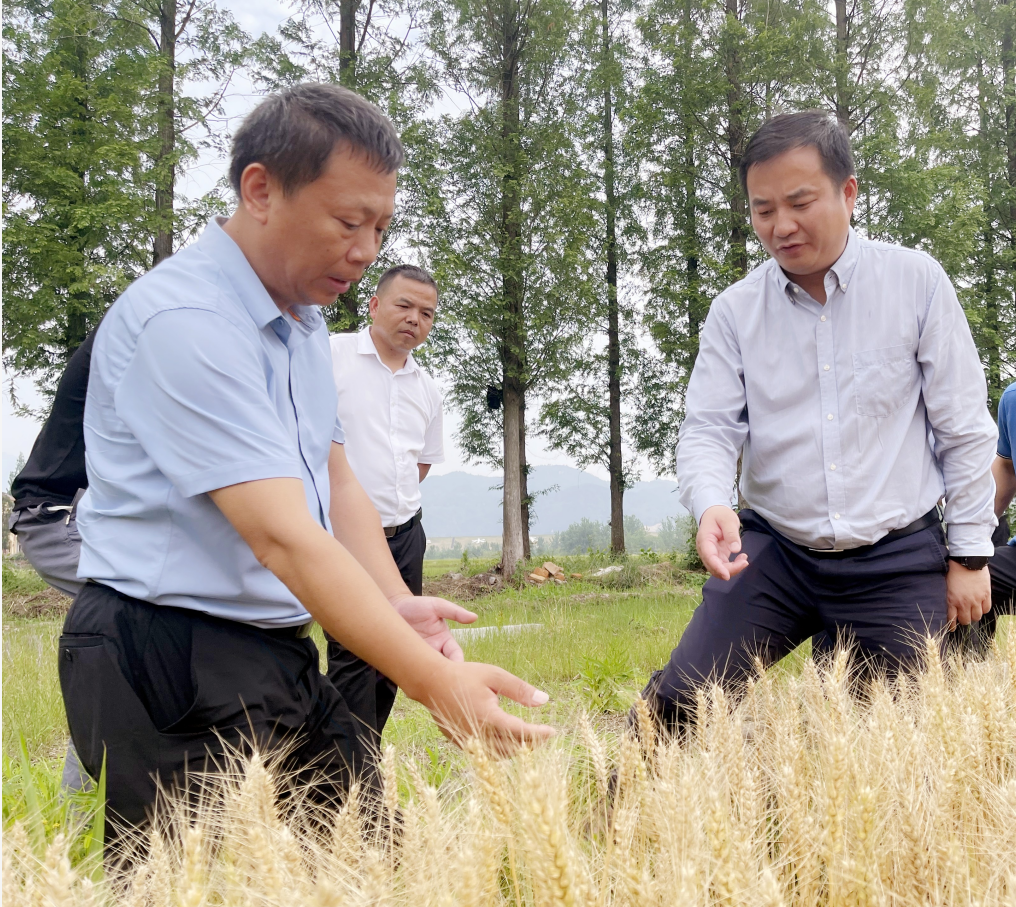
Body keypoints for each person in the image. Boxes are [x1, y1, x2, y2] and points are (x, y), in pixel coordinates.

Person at [59, 83, 553, 851]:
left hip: (275, 645)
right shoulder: (187, 321)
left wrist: (396, 601)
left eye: (381, 228)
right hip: (165, 653)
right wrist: (436, 684)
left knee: (369, 859)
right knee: (197, 885)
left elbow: (336, 479)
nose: (367, 251)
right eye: (349, 222)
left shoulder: (303, 323)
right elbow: (283, 536)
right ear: (261, 190)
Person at [640, 110, 997, 731]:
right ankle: (624, 791)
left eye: (800, 203)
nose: (781, 226)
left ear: (848, 192)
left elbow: (963, 428)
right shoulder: (735, 312)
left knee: (891, 738)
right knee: (679, 702)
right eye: (762, 210)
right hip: (775, 552)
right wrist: (710, 503)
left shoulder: (915, 282)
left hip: (895, 556)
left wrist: (968, 556)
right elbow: (709, 429)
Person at [326, 264, 443, 747]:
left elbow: (422, 462)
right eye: (404, 305)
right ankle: (344, 768)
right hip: (343, 538)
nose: (414, 319)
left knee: (395, 653)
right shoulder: (329, 357)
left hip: (405, 537)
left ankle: (365, 754)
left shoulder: (427, 388)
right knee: (353, 653)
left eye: (426, 313)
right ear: (374, 305)